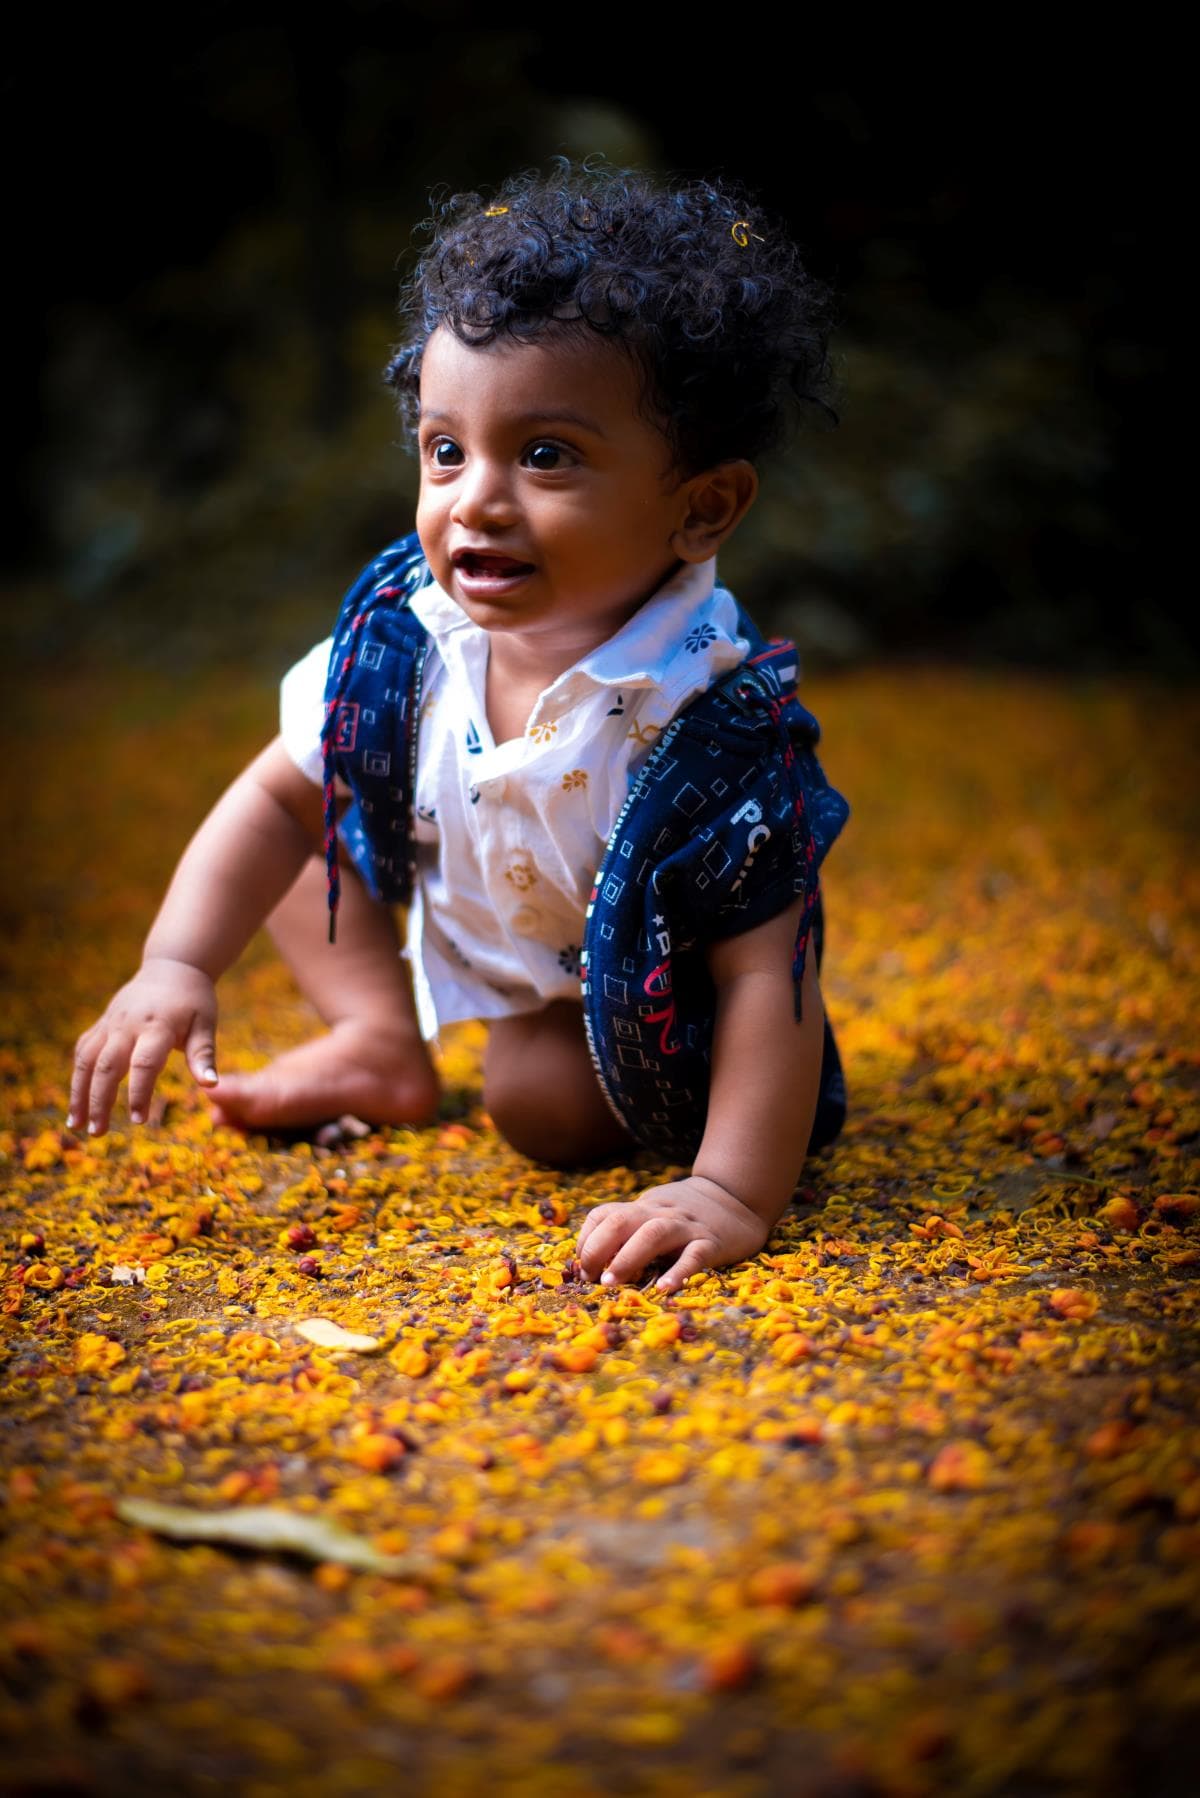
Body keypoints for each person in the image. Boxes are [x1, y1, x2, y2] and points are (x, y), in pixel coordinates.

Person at [68, 162, 850, 1296]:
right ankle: (378, 1040)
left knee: (537, 1106)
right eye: (446, 449)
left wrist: (729, 1188)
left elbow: (771, 971)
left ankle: (577, 1084)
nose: (475, 498)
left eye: (545, 455)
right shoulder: (407, 642)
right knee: (308, 815)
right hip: (494, 910)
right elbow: (272, 798)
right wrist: (174, 963)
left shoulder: (711, 724)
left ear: (702, 507)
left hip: (635, 1001)